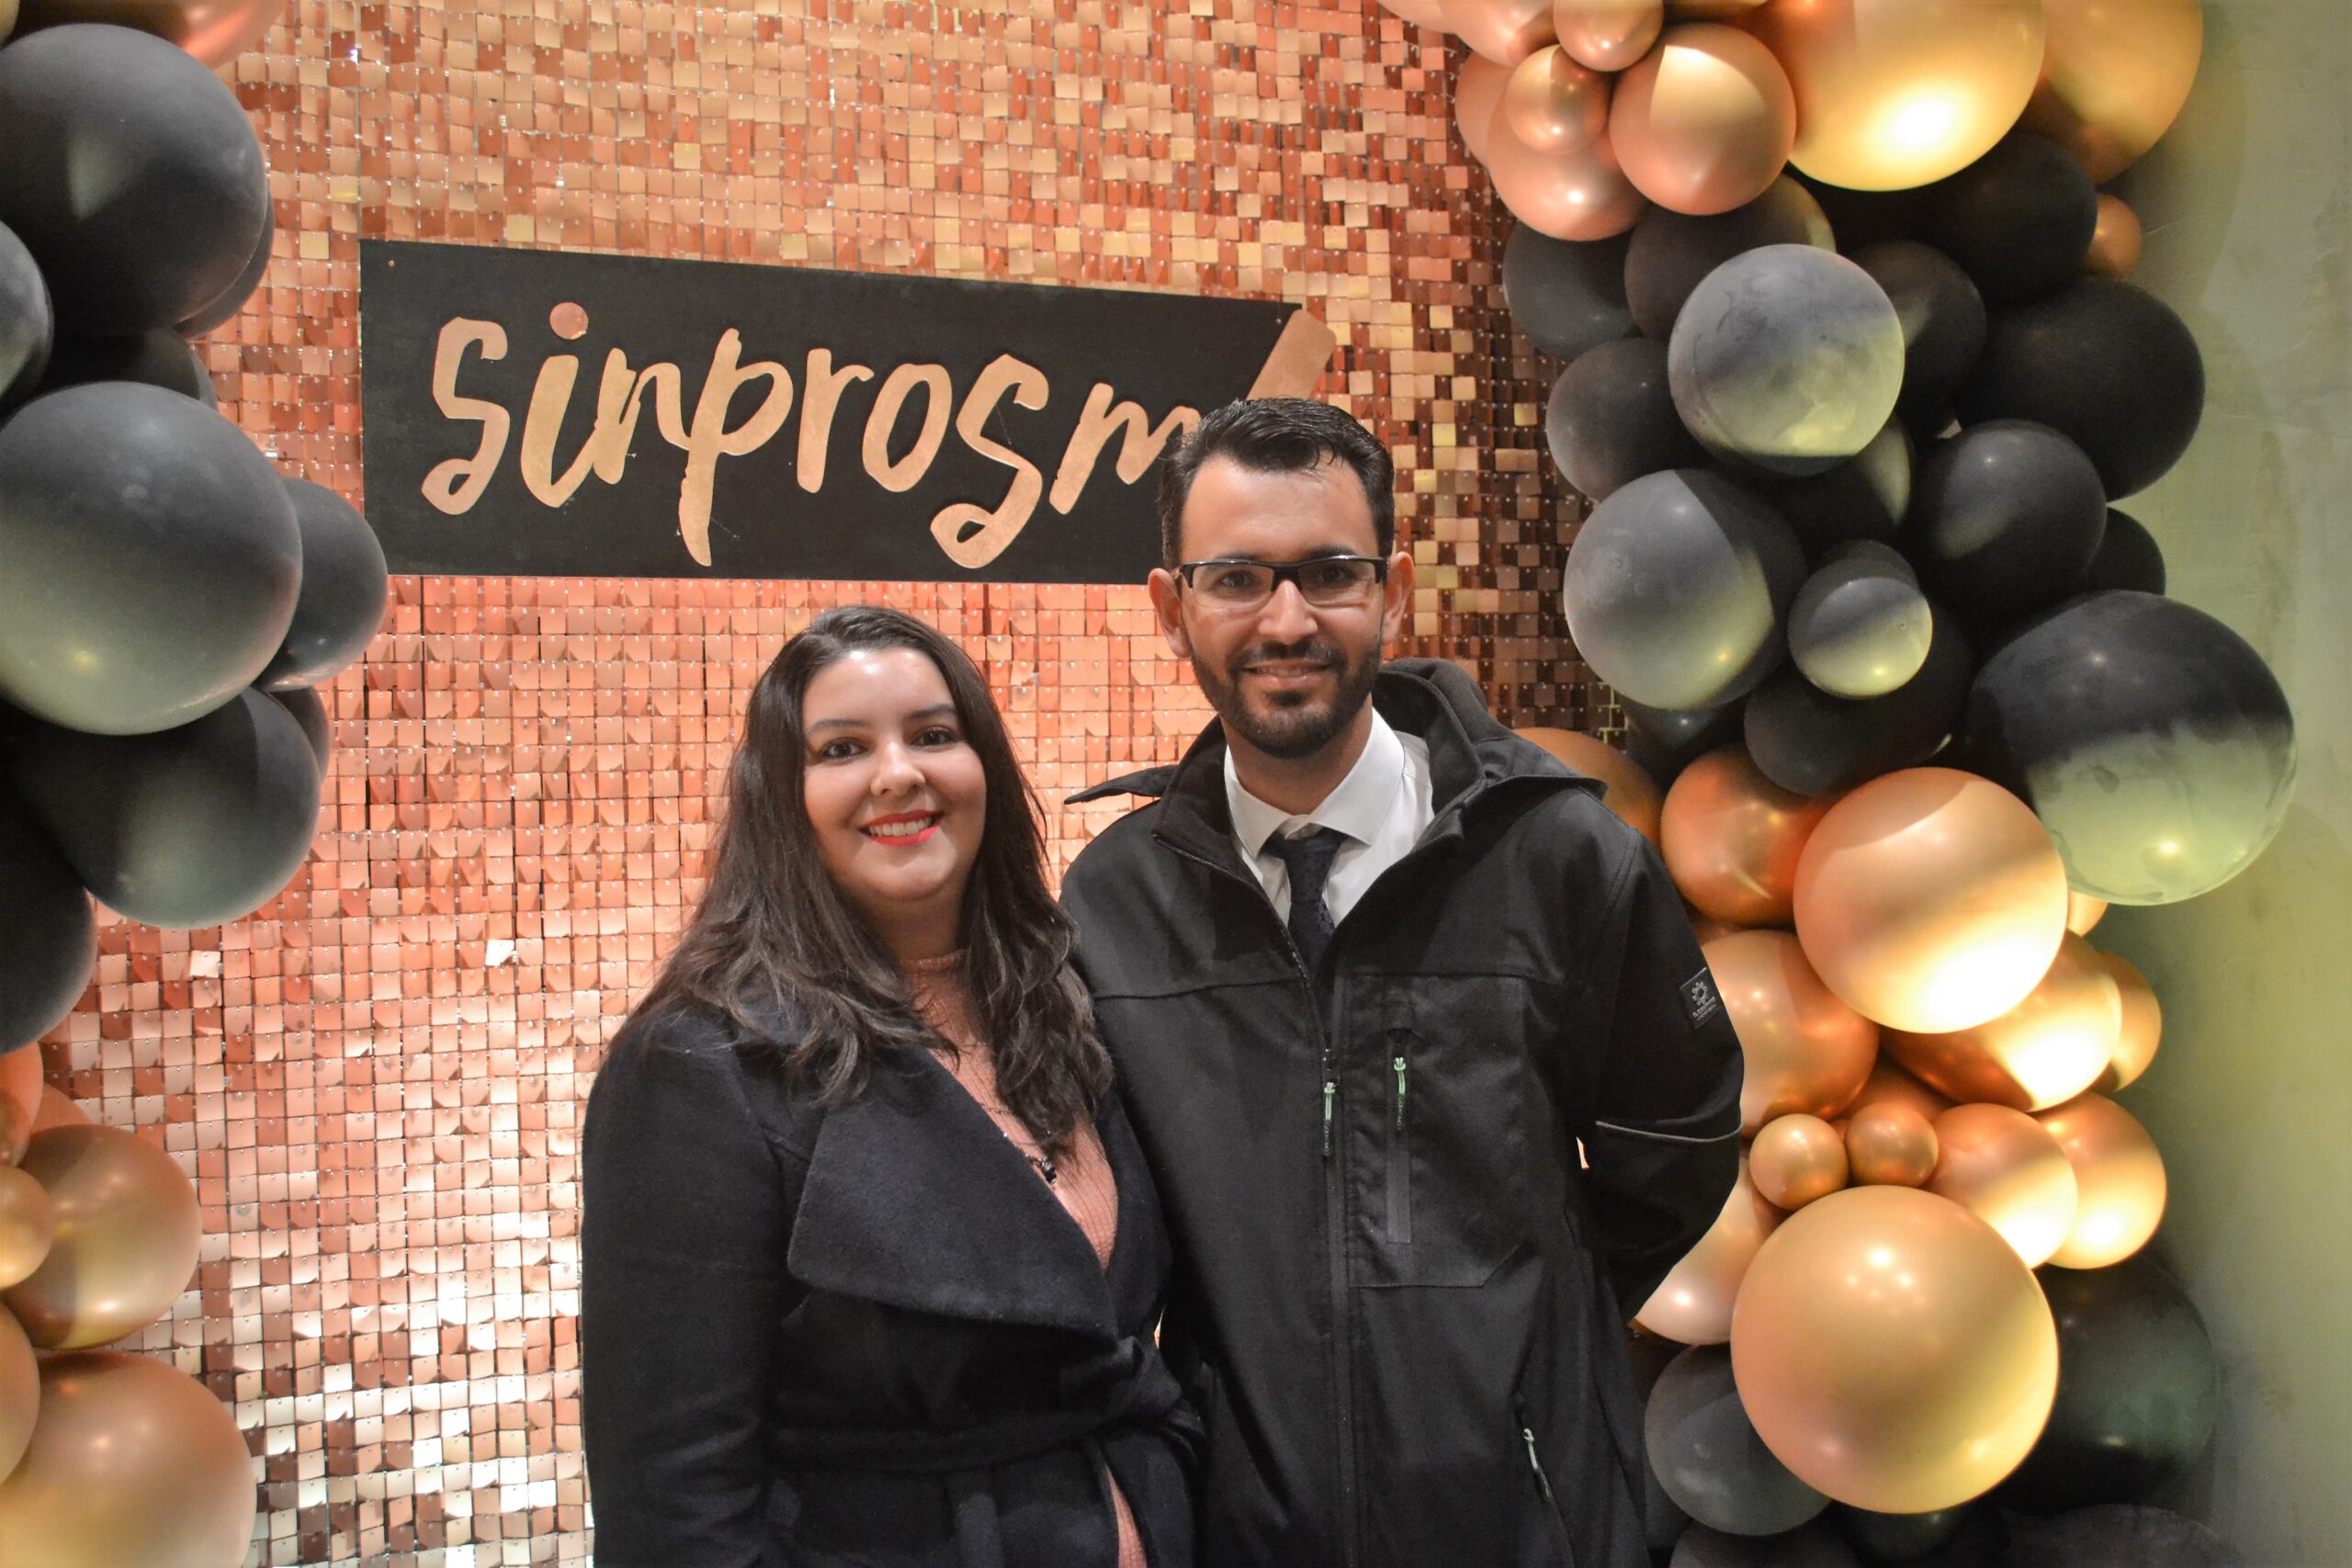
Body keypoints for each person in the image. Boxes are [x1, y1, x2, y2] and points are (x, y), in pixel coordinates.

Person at [1061, 399, 1744, 1568]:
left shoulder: (1558, 857)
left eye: (1329, 573)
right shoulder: (1115, 900)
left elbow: (1676, 1146)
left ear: (1391, 591)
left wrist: (1523, 1339)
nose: (1286, 620)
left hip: (1529, 1525)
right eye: (1236, 579)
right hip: (1242, 1535)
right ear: (1173, 609)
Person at [582, 605, 1196, 1568]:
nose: (898, 773)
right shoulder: (704, 1063)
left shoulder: (1061, 1001)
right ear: (781, 795)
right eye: (842, 748)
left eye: (933, 734)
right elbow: (674, 1498)